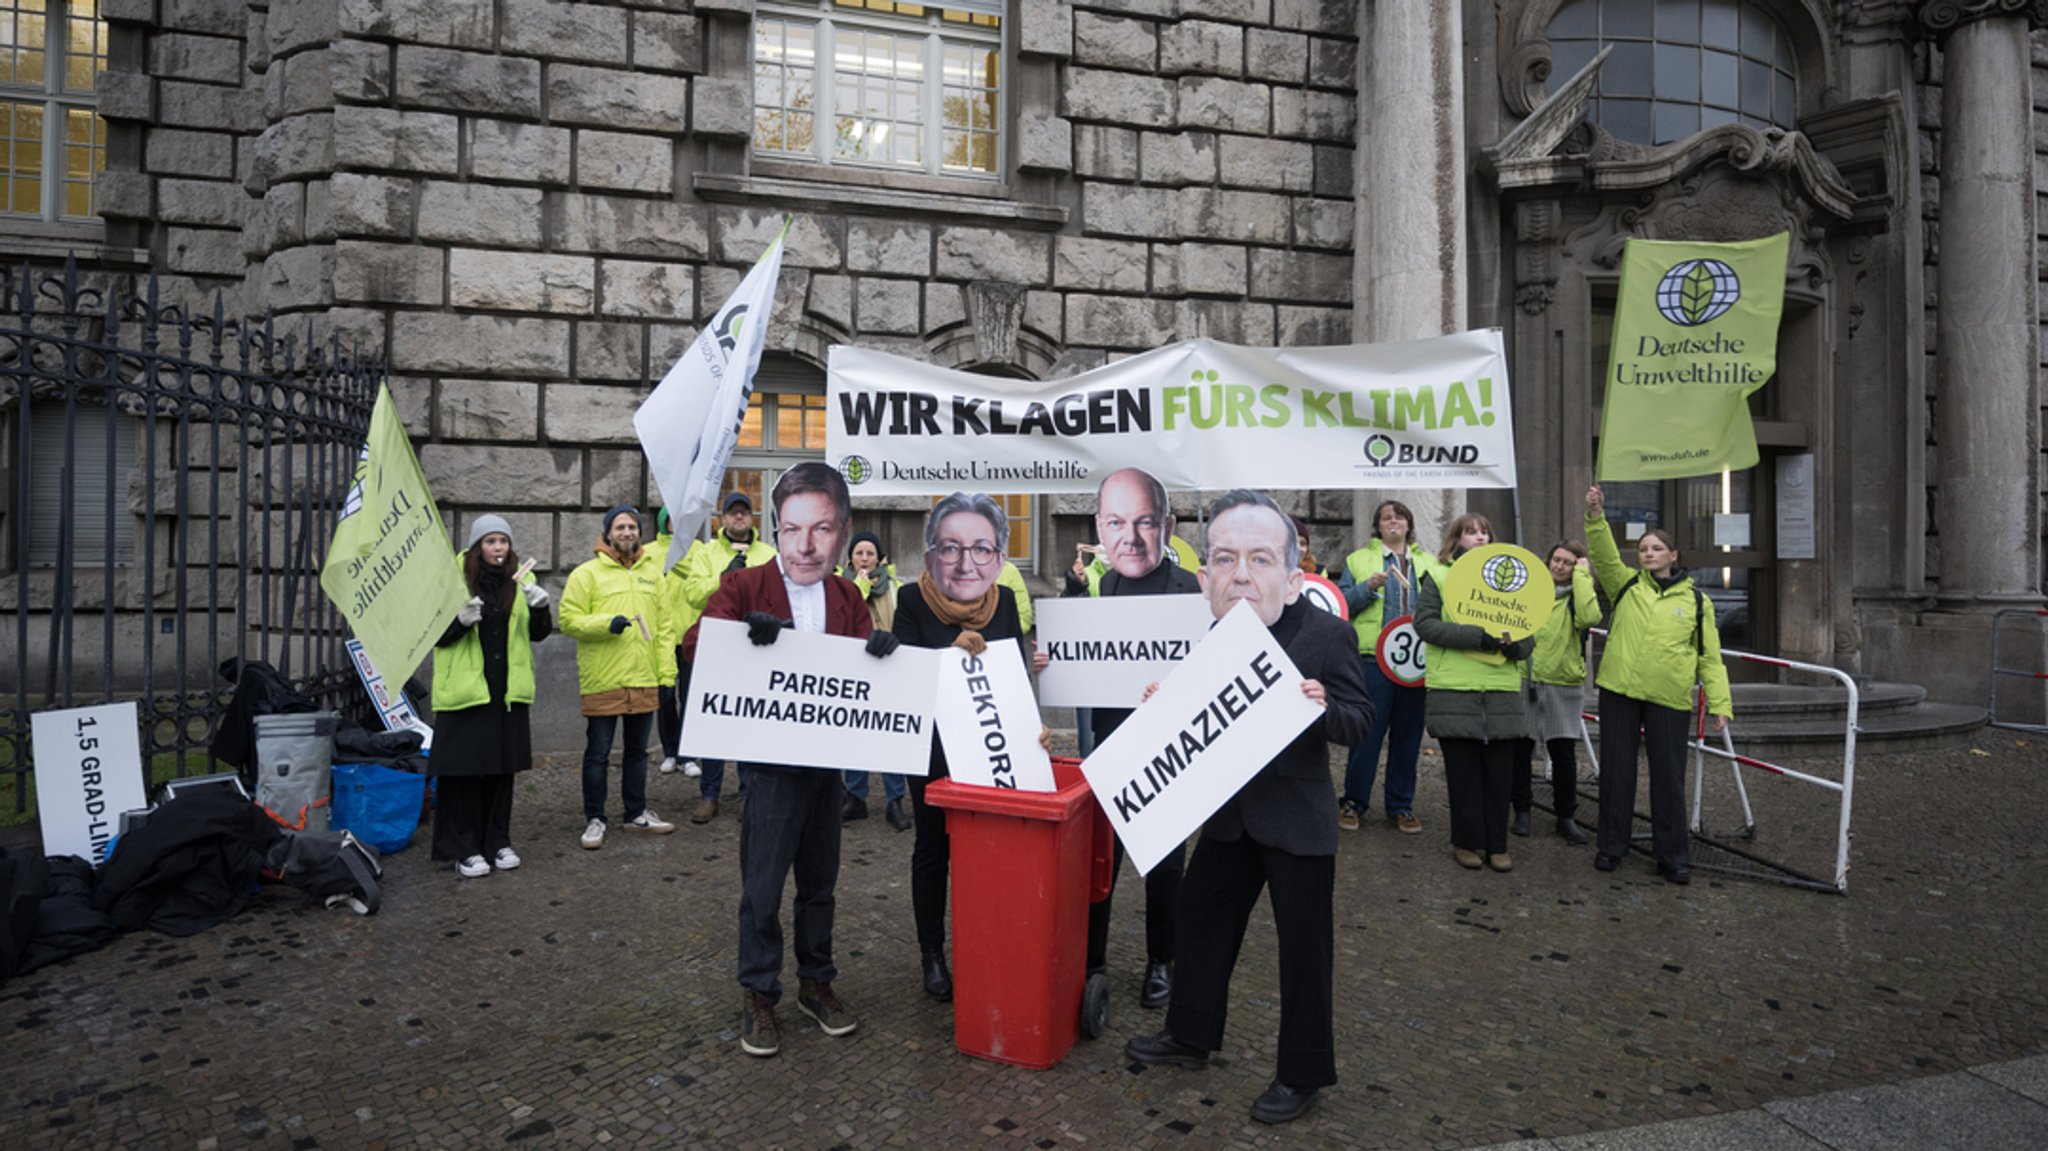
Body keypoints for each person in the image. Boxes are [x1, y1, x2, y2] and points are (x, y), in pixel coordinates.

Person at [1124, 489, 1372, 1126]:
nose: (1242, 573)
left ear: (1292, 579)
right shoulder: (1216, 632)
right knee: (1199, 921)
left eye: (1260, 560)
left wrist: (1321, 708)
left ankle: (1303, 1074)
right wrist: (1165, 700)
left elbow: (1359, 722)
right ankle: (1190, 1036)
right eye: (1227, 559)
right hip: (1230, 817)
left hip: (1296, 821)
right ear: (1206, 576)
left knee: (1305, 952)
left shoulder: (1328, 635)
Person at [683, 462, 897, 1058]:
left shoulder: (846, 595)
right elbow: (694, 647)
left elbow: (868, 677)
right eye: (792, 529)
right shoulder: (745, 587)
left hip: (826, 767)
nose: (806, 545)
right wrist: (735, 639)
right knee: (763, 883)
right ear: (776, 528)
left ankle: (816, 981)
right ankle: (758, 991)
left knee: (820, 882)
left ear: (843, 531)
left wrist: (882, 651)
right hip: (771, 771)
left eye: (822, 530)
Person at [1037, 466, 1193, 1010]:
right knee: (1100, 859)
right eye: (1116, 522)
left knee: (1164, 863)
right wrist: (1054, 656)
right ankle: (1092, 958)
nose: (1130, 536)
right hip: (1112, 741)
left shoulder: (1189, 588)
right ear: (1101, 530)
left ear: (1166, 526)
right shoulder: (1104, 584)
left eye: (1145, 522)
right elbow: (1091, 659)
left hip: (1169, 748)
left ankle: (1161, 963)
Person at [894, 493, 1030, 1002]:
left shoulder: (1008, 603)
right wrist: (945, 658)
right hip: (931, 751)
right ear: (931, 554)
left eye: (981, 549)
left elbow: (1013, 673)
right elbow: (904, 679)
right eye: (950, 548)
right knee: (933, 850)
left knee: (990, 852)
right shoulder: (910, 602)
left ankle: (985, 945)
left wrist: (1030, 726)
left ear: (999, 558)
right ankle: (932, 952)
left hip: (990, 750)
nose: (966, 562)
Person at [1583, 485, 1734, 885]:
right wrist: (1596, 516)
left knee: (1669, 779)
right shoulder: (1626, 586)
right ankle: (1611, 847)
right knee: (1617, 774)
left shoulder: (1699, 602)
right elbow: (1603, 555)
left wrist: (1720, 705)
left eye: (1655, 548)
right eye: (1644, 548)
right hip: (1620, 692)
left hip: (1669, 698)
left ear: (1673, 556)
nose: (1647, 553)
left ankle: (1672, 856)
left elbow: (1709, 658)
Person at [428, 515, 552, 878]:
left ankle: (497, 841)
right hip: (466, 691)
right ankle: (464, 848)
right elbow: (433, 635)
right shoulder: (453, 581)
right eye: (491, 541)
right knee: (463, 773)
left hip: (506, 691)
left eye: (503, 541)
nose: (499, 548)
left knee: (500, 771)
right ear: (476, 545)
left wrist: (541, 606)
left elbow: (539, 634)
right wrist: (458, 622)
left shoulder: (521, 581)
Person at [1412, 513, 1533, 872]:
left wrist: (1516, 648)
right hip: (1455, 687)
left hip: (1500, 690)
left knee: (1499, 775)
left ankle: (1497, 844)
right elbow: (1425, 624)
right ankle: (1467, 842)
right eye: (1471, 532)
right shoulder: (1438, 575)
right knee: (1463, 775)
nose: (1479, 537)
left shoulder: (1512, 580)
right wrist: (1475, 636)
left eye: (1484, 531)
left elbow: (1530, 630)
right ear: (1456, 539)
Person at [559, 504, 676, 849]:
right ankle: (595, 818)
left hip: (643, 677)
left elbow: (665, 628)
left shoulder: (654, 575)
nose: (627, 533)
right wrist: (603, 624)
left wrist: (666, 676)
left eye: (632, 527)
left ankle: (635, 813)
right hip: (604, 679)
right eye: (620, 527)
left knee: (638, 752)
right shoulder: (586, 574)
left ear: (640, 533)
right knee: (598, 752)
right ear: (607, 533)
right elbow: (568, 619)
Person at [1334, 499, 1440, 834]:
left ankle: (1401, 805)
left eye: (1398, 517)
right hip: (1373, 659)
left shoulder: (1430, 563)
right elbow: (1340, 606)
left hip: (1416, 662)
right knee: (1367, 734)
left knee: (1408, 738)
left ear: (1409, 524)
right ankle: (1354, 802)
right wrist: (1367, 588)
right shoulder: (1359, 560)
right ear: (1378, 527)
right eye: (1385, 518)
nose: (1392, 522)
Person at [679, 491, 776, 822]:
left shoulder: (768, 553)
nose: (739, 518)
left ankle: (749, 793)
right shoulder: (706, 553)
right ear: (722, 519)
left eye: (744, 513)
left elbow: (779, 595)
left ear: (752, 519)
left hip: (756, 648)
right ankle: (710, 793)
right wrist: (723, 578)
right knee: (713, 722)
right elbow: (692, 595)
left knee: (751, 722)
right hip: (717, 648)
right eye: (733, 513)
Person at [1512, 541, 1599, 845]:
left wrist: (1584, 578)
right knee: (1521, 749)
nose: (1559, 566)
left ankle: (1566, 816)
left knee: (1563, 754)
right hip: (1528, 676)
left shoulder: (1579, 595)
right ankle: (1522, 810)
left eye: (1568, 563)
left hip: (1563, 681)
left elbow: (1589, 618)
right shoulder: (1532, 590)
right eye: (1556, 560)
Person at [840, 530, 909, 829]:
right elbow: (842, 615)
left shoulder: (896, 587)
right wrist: (860, 587)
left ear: (880, 558)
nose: (865, 559)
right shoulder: (841, 585)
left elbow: (906, 622)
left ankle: (895, 800)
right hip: (855, 669)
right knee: (856, 735)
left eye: (870, 553)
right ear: (850, 558)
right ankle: (855, 797)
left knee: (890, 736)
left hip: (890, 667)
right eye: (859, 553)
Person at [651, 507, 704, 780]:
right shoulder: (648, 552)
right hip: (662, 638)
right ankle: (671, 751)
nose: (676, 524)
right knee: (666, 698)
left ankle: (688, 755)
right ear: (663, 522)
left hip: (690, 635)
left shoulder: (699, 550)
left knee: (690, 696)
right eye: (672, 519)